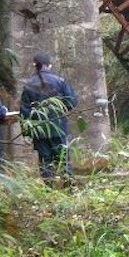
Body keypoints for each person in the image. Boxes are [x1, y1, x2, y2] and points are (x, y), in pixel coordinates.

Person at [20, 52, 77, 187]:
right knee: (63, 159)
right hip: (58, 127)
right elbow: (71, 101)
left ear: (35, 65)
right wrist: (60, 112)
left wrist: (28, 130)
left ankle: (49, 189)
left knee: (45, 160)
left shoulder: (28, 85)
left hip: (39, 130)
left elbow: (25, 111)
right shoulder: (60, 81)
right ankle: (70, 187)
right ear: (49, 65)